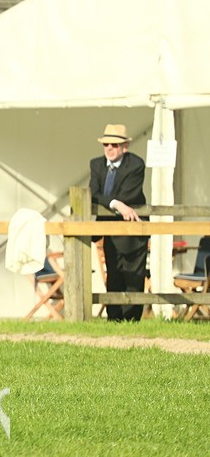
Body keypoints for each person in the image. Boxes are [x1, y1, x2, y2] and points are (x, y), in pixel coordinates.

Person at [89, 124, 147, 322]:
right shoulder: (96, 164)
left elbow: (128, 195)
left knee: (133, 277)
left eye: (114, 144)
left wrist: (114, 201)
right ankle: (113, 319)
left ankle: (131, 320)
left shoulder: (136, 164)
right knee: (113, 274)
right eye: (106, 144)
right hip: (109, 229)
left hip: (132, 232)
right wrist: (116, 204)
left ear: (125, 146)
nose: (109, 148)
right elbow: (93, 193)